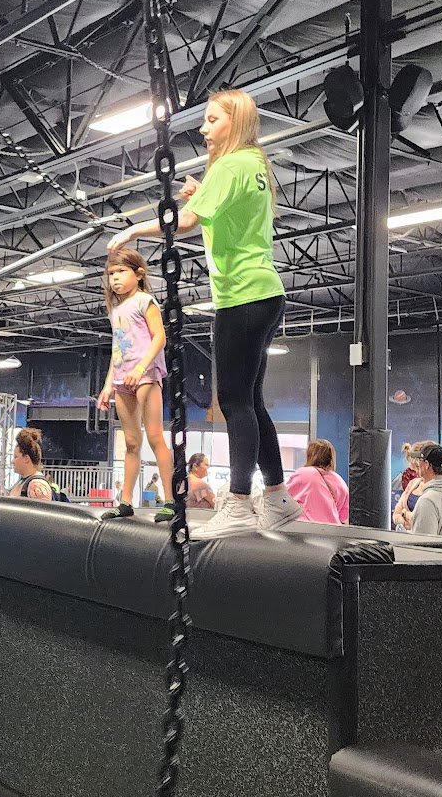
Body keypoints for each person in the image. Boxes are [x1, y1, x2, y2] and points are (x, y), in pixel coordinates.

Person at [108, 88, 300, 537]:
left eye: (213, 119)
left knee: (234, 400)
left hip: (242, 298)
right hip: (265, 294)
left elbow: (187, 221)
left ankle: (239, 502)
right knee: (250, 401)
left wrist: (135, 229)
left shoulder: (231, 165)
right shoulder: (253, 164)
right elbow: (230, 215)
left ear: (236, 121)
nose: (203, 127)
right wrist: (201, 193)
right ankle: (277, 497)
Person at [97, 248, 175, 522]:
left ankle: (170, 499)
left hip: (145, 375)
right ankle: (126, 501)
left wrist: (142, 368)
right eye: (111, 274)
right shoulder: (116, 309)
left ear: (139, 274)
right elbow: (117, 348)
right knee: (131, 442)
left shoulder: (145, 301)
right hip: (122, 378)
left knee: (154, 436)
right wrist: (108, 385)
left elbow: (159, 337)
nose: (115, 279)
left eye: (121, 272)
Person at [286, 440, 349, 524]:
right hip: (331, 530)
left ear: (310, 455)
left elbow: (283, 499)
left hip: (303, 528)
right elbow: (343, 517)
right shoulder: (340, 482)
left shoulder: (302, 474)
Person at [11, 427, 57, 501]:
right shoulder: (24, 482)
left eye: (16, 457)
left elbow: (42, 508)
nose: (12, 461)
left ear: (26, 458)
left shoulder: (37, 485)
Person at [393, 441, 428, 531]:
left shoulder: (436, 490)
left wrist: (406, 514)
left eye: (419, 467)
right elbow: (396, 514)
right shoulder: (412, 484)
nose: (418, 471)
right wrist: (404, 522)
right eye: (416, 467)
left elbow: (424, 520)